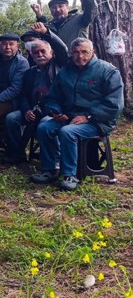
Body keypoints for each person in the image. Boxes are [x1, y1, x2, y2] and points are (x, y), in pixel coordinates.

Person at [31, 38, 123, 191]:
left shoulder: (108, 71)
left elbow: (115, 105)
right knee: (44, 127)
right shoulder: (66, 70)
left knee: (67, 132)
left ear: (92, 52)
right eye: (75, 52)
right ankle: (50, 169)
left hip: (99, 121)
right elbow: (52, 97)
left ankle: (70, 175)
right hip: (70, 116)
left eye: (84, 52)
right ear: (71, 54)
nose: (80, 56)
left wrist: (88, 117)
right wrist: (56, 111)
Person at [3, 23, 68, 164]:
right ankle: (17, 154)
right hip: (33, 110)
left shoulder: (60, 66)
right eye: (36, 52)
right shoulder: (30, 73)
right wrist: (26, 110)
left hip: (54, 111)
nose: (39, 55)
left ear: (51, 53)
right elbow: (23, 95)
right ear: (31, 55)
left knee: (45, 124)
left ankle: (54, 162)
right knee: (12, 118)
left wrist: (46, 32)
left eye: (43, 51)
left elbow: (62, 48)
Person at [31, 0, 97, 47]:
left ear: (68, 7)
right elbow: (46, 32)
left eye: (61, 6)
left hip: (78, 57)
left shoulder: (80, 19)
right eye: (54, 7)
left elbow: (91, 10)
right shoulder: (52, 25)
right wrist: (39, 15)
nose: (57, 10)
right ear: (51, 11)